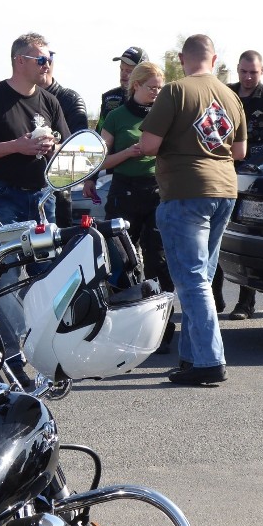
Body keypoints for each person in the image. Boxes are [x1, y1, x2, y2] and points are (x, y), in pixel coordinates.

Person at [0, 32, 70, 387]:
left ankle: (45, 352)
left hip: (41, 200)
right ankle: (14, 358)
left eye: (50, 57)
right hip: (2, 199)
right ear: (20, 61)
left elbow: (66, 151)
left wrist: (52, 149)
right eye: (41, 58)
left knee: (45, 277)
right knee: (5, 278)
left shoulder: (50, 102)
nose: (48, 64)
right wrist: (17, 146)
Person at [139, 34, 246, 386]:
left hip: (185, 191)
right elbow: (240, 152)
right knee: (200, 275)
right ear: (214, 60)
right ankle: (191, 357)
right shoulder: (231, 96)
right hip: (225, 191)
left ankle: (210, 361)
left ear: (182, 59)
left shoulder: (174, 91)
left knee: (192, 280)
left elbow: (149, 144)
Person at [84, 61, 175, 353]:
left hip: (157, 190)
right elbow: (99, 161)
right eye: (152, 88)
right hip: (124, 191)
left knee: (157, 258)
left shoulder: (165, 116)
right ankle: (124, 322)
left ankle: (162, 326)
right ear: (136, 86)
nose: (156, 94)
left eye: (160, 89)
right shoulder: (116, 117)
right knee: (120, 260)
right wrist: (128, 152)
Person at [215, 50, 263, 321]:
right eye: (244, 71)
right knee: (217, 237)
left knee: (245, 239)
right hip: (223, 175)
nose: (248, 77)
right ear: (238, 69)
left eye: (253, 72)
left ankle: (246, 303)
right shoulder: (225, 94)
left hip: (254, 181)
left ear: (262, 71)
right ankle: (215, 296)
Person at [39, 56, 89, 226]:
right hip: (20, 187)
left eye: (45, 60)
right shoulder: (15, 99)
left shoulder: (69, 99)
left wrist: (53, 146)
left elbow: (80, 146)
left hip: (57, 189)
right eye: (38, 60)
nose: (43, 66)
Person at [96, 46, 149, 134]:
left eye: (129, 71)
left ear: (143, 73)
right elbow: (99, 133)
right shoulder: (109, 97)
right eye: (121, 69)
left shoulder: (154, 99)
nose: (123, 74)